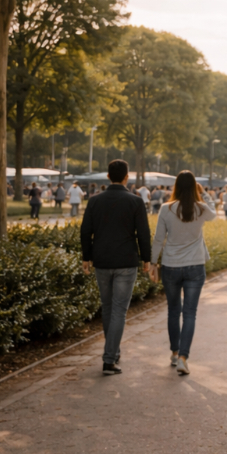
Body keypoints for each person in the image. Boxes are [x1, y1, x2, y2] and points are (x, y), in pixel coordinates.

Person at [80, 160, 151, 376]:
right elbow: (144, 233)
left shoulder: (94, 201)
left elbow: (85, 231)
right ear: (126, 177)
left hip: (101, 261)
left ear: (108, 177)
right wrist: (146, 258)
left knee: (108, 308)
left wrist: (86, 257)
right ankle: (109, 359)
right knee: (119, 310)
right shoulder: (135, 202)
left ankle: (113, 352)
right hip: (126, 261)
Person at [150, 171, 216, 376]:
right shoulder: (201, 209)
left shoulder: (166, 209)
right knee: (190, 313)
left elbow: (159, 239)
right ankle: (183, 358)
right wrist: (204, 194)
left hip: (171, 265)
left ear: (175, 187)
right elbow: (214, 213)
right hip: (195, 266)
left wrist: (153, 263)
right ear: (195, 187)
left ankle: (174, 351)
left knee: (173, 311)